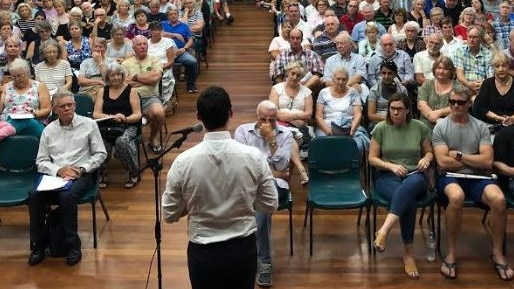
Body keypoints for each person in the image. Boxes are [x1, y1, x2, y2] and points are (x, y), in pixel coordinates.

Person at [162, 86, 278, 289]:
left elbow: (169, 214)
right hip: (242, 249)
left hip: (202, 252)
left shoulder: (183, 162)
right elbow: (270, 204)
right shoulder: (253, 157)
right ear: (231, 113)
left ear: (198, 117)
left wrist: (192, 204)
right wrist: (247, 200)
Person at [432, 84, 514, 281]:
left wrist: (458, 155)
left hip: (479, 178)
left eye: (460, 103)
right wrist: (472, 158)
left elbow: (486, 161)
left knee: (499, 199)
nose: (456, 106)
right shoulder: (441, 126)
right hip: (450, 177)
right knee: (456, 196)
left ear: (469, 104)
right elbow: (443, 162)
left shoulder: (480, 127)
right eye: (452, 102)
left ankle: (497, 253)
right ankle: (451, 252)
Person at [28, 90, 107, 266]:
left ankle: (73, 246)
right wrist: (58, 170)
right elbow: (41, 161)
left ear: (75, 106)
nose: (67, 109)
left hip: (82, 174)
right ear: (55, 110)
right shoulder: (48, 130)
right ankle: (38, 246)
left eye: (70, 105)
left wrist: (81, 169)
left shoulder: (89, 124)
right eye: (62, 106)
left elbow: (100, 154)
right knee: (34, 196)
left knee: (66, 196)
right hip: (55, 176)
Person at [368, 92, 432, 280]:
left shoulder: (419, 127)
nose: (395, 112)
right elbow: (372, 158)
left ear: (407, 110)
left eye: (399, 109)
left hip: (415, 175)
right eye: (392, 108)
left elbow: (429, 152)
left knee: (410, 187)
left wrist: (427, 158)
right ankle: (408, 254)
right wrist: (390, 165)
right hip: (387, 175)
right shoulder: (380, 128)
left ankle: (384, 231)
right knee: (407, 200)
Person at [234, 100, 292, 288]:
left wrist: (271, 140)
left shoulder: (286, 134)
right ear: (256, 116)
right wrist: (273, 171)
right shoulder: (242, 132)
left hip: (276, 186)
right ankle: (244, 256)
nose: (267, 123)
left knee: (262, 204)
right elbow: (240, 166)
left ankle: (264, 261)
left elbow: (283, 166)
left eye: (272, 120)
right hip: (247, 184)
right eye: (263, 119)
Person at [93, 63, 142, 189]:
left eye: (118, 75)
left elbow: (137, 115)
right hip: (107, 125)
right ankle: (102, 173)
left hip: (128, 125)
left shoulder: (131, 91)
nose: (116, 78)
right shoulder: (102, 91)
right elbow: (96, 114)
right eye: (112, 75)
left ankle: (133, 172)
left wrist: (124, 119)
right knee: (101, 143)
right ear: (107, 78)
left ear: (123, 76)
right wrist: (109, 116)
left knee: (122, 141)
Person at [269, 61, 312, 185]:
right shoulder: (277, 89)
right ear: (287, 73)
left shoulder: (306, 92)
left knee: (289, 139)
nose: (294, 77)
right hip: (278, 126)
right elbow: (273, 111)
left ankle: (285, 180)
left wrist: (287, 115)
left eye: (298, 75)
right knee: (289, 138)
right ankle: (301, 169)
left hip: (300, 129)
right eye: (292, 73)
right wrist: (295, 118)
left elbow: (308, 114)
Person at [122, 35, 164, 154]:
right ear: (134, 47)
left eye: (144, 44)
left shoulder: (155, 60)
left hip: (150, 97)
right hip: (130, 99)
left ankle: (153, 137)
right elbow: (124, 83)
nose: (142, 46)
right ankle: (141, 121)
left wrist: (135, 78)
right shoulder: (126, 63)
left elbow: (155, 78)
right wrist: (147, 79)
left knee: (159, 113)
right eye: (139, 44)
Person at [315, 67, 370, 152]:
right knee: (323, 145)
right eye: (338, 79)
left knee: (357, 147)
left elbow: (358, 114)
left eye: (344, 79)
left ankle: (353, 165)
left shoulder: (353, 92)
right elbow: (318, 116)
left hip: (349, 126)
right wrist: (329, 132)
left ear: (347, 80)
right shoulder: (323, 92)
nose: (341, 82)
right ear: (333, 79)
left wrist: (352, 131)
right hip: (327, 126)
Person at [0, 58, 51, 138]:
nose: (17, 79)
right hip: (8, 119)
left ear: (28, 73)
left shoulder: (39, 86)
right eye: (13, 76)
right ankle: (7, 128)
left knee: (26, 120)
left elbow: (46, 109)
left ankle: (4, 131)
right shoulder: (6, 87)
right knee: (15, 120)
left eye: (20, 76)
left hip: (34, 122)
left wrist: (34, 114)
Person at [161, 5, 199, 93]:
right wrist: (175, 35)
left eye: (175, 14)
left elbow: (190, 40)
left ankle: (191, 83)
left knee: (192, 61)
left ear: (178, 15)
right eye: (171, 14)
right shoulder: (163, 24)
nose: (173, 16)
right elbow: (160, 34)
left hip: (179, 52)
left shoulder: (185, 26)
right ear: (167, 16)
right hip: (164, 53)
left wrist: (184, 49)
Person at [452, 25, 493, 97]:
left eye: (475, 37)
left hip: (482, 86)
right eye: (469, 37)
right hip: (464, 86)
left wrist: (483, 84)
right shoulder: (459, 51)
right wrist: (469, 84)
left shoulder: (487, 53)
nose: (471, 40)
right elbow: (459, 74)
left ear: (481, 39)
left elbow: (490, 75)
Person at [473, 52, 514, 125]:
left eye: (504, 66)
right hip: (491, 124)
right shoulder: (487, 84)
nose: (501, 69)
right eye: (497, 66)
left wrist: (512, 118)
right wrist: (498, 118)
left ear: (509, 66)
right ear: (493, 68)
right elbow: (480, 107)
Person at [417, 55, 456, 129]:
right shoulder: (427, 85)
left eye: (445, 69)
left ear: (451, 71)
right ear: (434, 69)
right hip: (426, 124)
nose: (441, 71)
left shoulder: (457, 87)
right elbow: (422, 105)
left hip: (450, 125)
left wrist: (440, 112)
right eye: (439, 68)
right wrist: (436, 119)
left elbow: (458, 107)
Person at [367, 60, 408, 128]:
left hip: (399, 122)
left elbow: (407, 110)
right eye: (384, 73)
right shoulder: (374, 90)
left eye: (389, 73)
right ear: (380, 73)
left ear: (395, 74)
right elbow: (371, 115)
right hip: (379, 124)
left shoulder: (402, 90)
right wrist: (390, 119)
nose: (386, 76)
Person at [148, 21, 177, 114]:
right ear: (150, 31)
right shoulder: (146, 43)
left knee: (164, 77)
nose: (157, 32)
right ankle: (150, 104)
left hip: (165, 67)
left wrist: (159, 69)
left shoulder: (168, 42)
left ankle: (165, 103)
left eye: (159, 30)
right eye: (154, 30)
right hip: (149, 68)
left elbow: (171, 61)